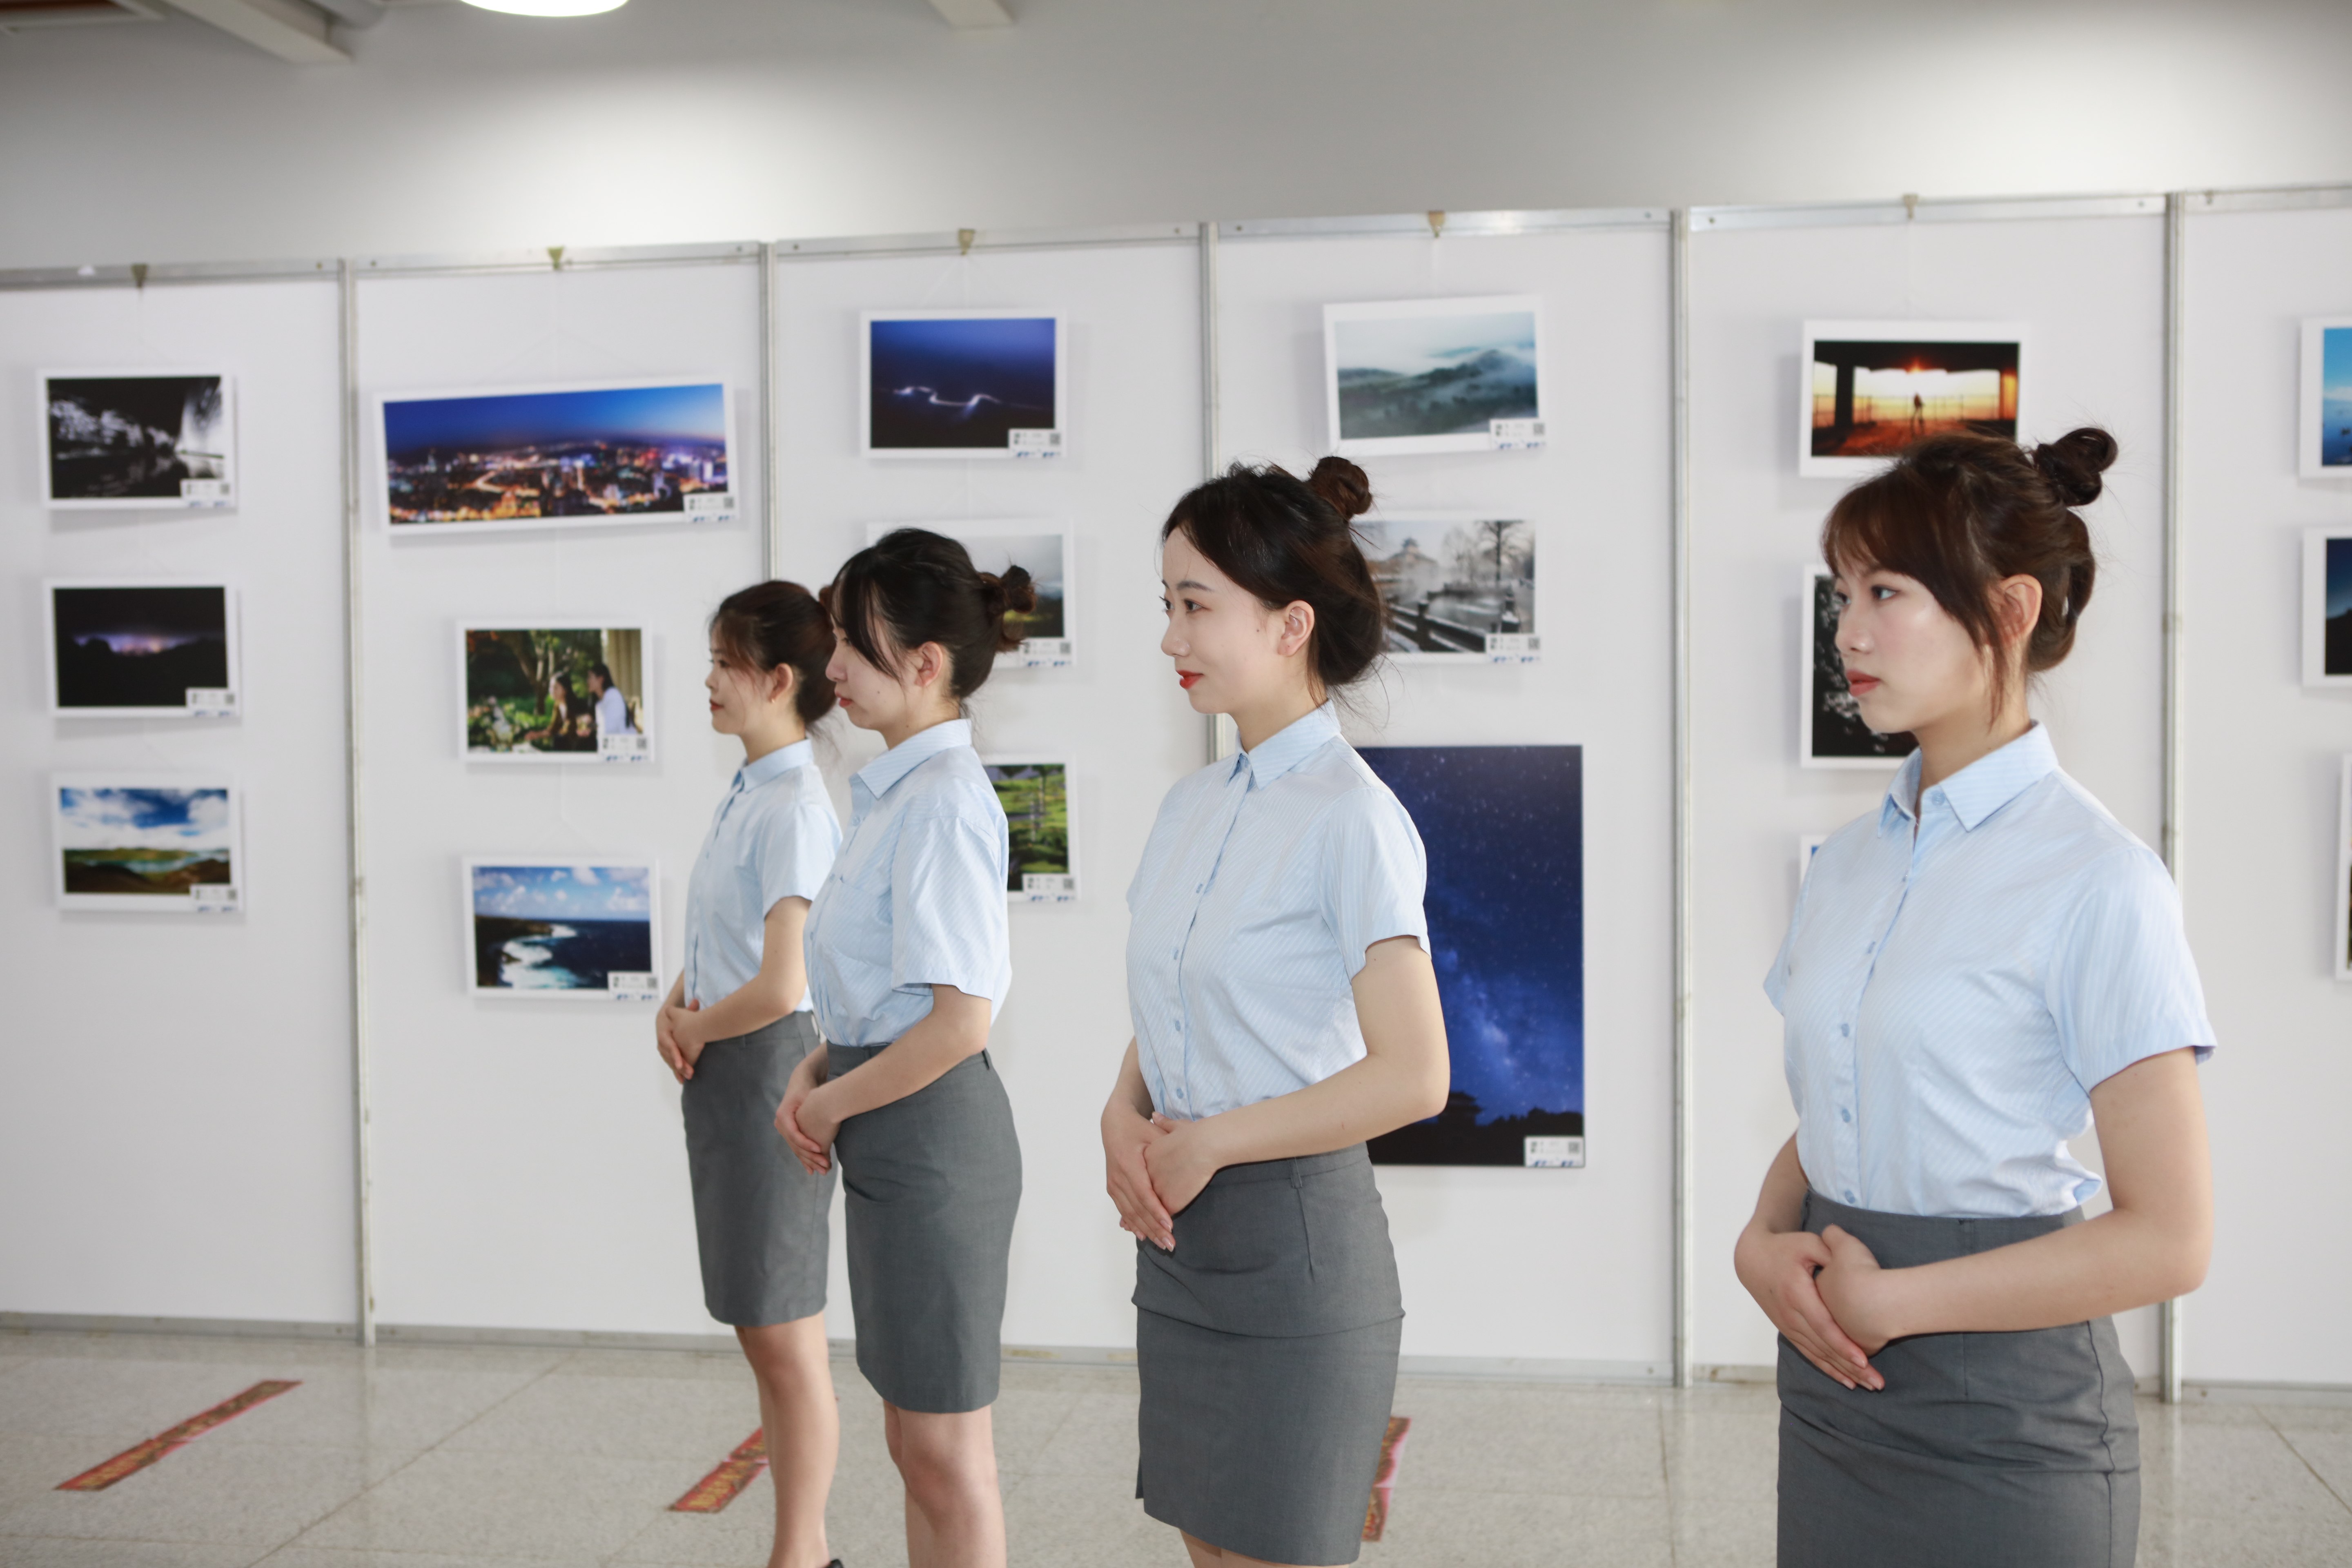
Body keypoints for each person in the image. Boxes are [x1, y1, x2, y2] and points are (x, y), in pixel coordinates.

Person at [1736, 427, 2216, 1568]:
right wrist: (1758, 1239)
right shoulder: (1846, 862)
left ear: (2007, 611)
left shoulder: (2099, 879)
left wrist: (1896, 1303)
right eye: (1842, 592)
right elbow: (1846, 1098)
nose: (1846, 631)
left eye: (1885, 592)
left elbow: (2169, 1240)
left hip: (2008, 1422)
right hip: (1832, 1390)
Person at [1101, 457, 1452, 1568]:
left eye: (1195, 605)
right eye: (1167, 604)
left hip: (1295, 1252)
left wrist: (1210, 1141)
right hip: (1180, 1244)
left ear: (1291, 623)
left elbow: (1413, 1076)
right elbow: (1178, 995)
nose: (1171, 637)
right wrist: (1119, 1109)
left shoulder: (1354, 818)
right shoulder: (1190, 804)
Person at [776, 528, 1029, 1568]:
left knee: (944, 1454)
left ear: (925, 664)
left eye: (851, 642)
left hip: (929, 1139)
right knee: (912, 1441)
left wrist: (829, 1102)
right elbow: (879, 994)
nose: (830, 664)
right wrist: (818, 1071)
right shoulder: (897, 794)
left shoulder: (943, 803)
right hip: (892, 1126)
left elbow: (960, 1022)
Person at [655, 581, 845, 1568]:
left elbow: (783, 982)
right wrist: (678, 999)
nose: (709, 680)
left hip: (767, 1070)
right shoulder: (753, 788)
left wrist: (695, 1022)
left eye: (725, 663)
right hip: (728, 1072)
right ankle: (797, 1548)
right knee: (761, 1330)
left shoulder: (796, 807)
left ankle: (801, 1552)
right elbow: (723, 938)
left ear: (777, 680)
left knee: (786, 1336)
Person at [588, 660, 634, 737]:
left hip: (622, 743)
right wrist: (589, 726)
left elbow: (612, 729)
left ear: (601, 679)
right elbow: (601, 727)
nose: (588, 681)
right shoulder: (600, 703)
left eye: (590, 677)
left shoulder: (613, 696)